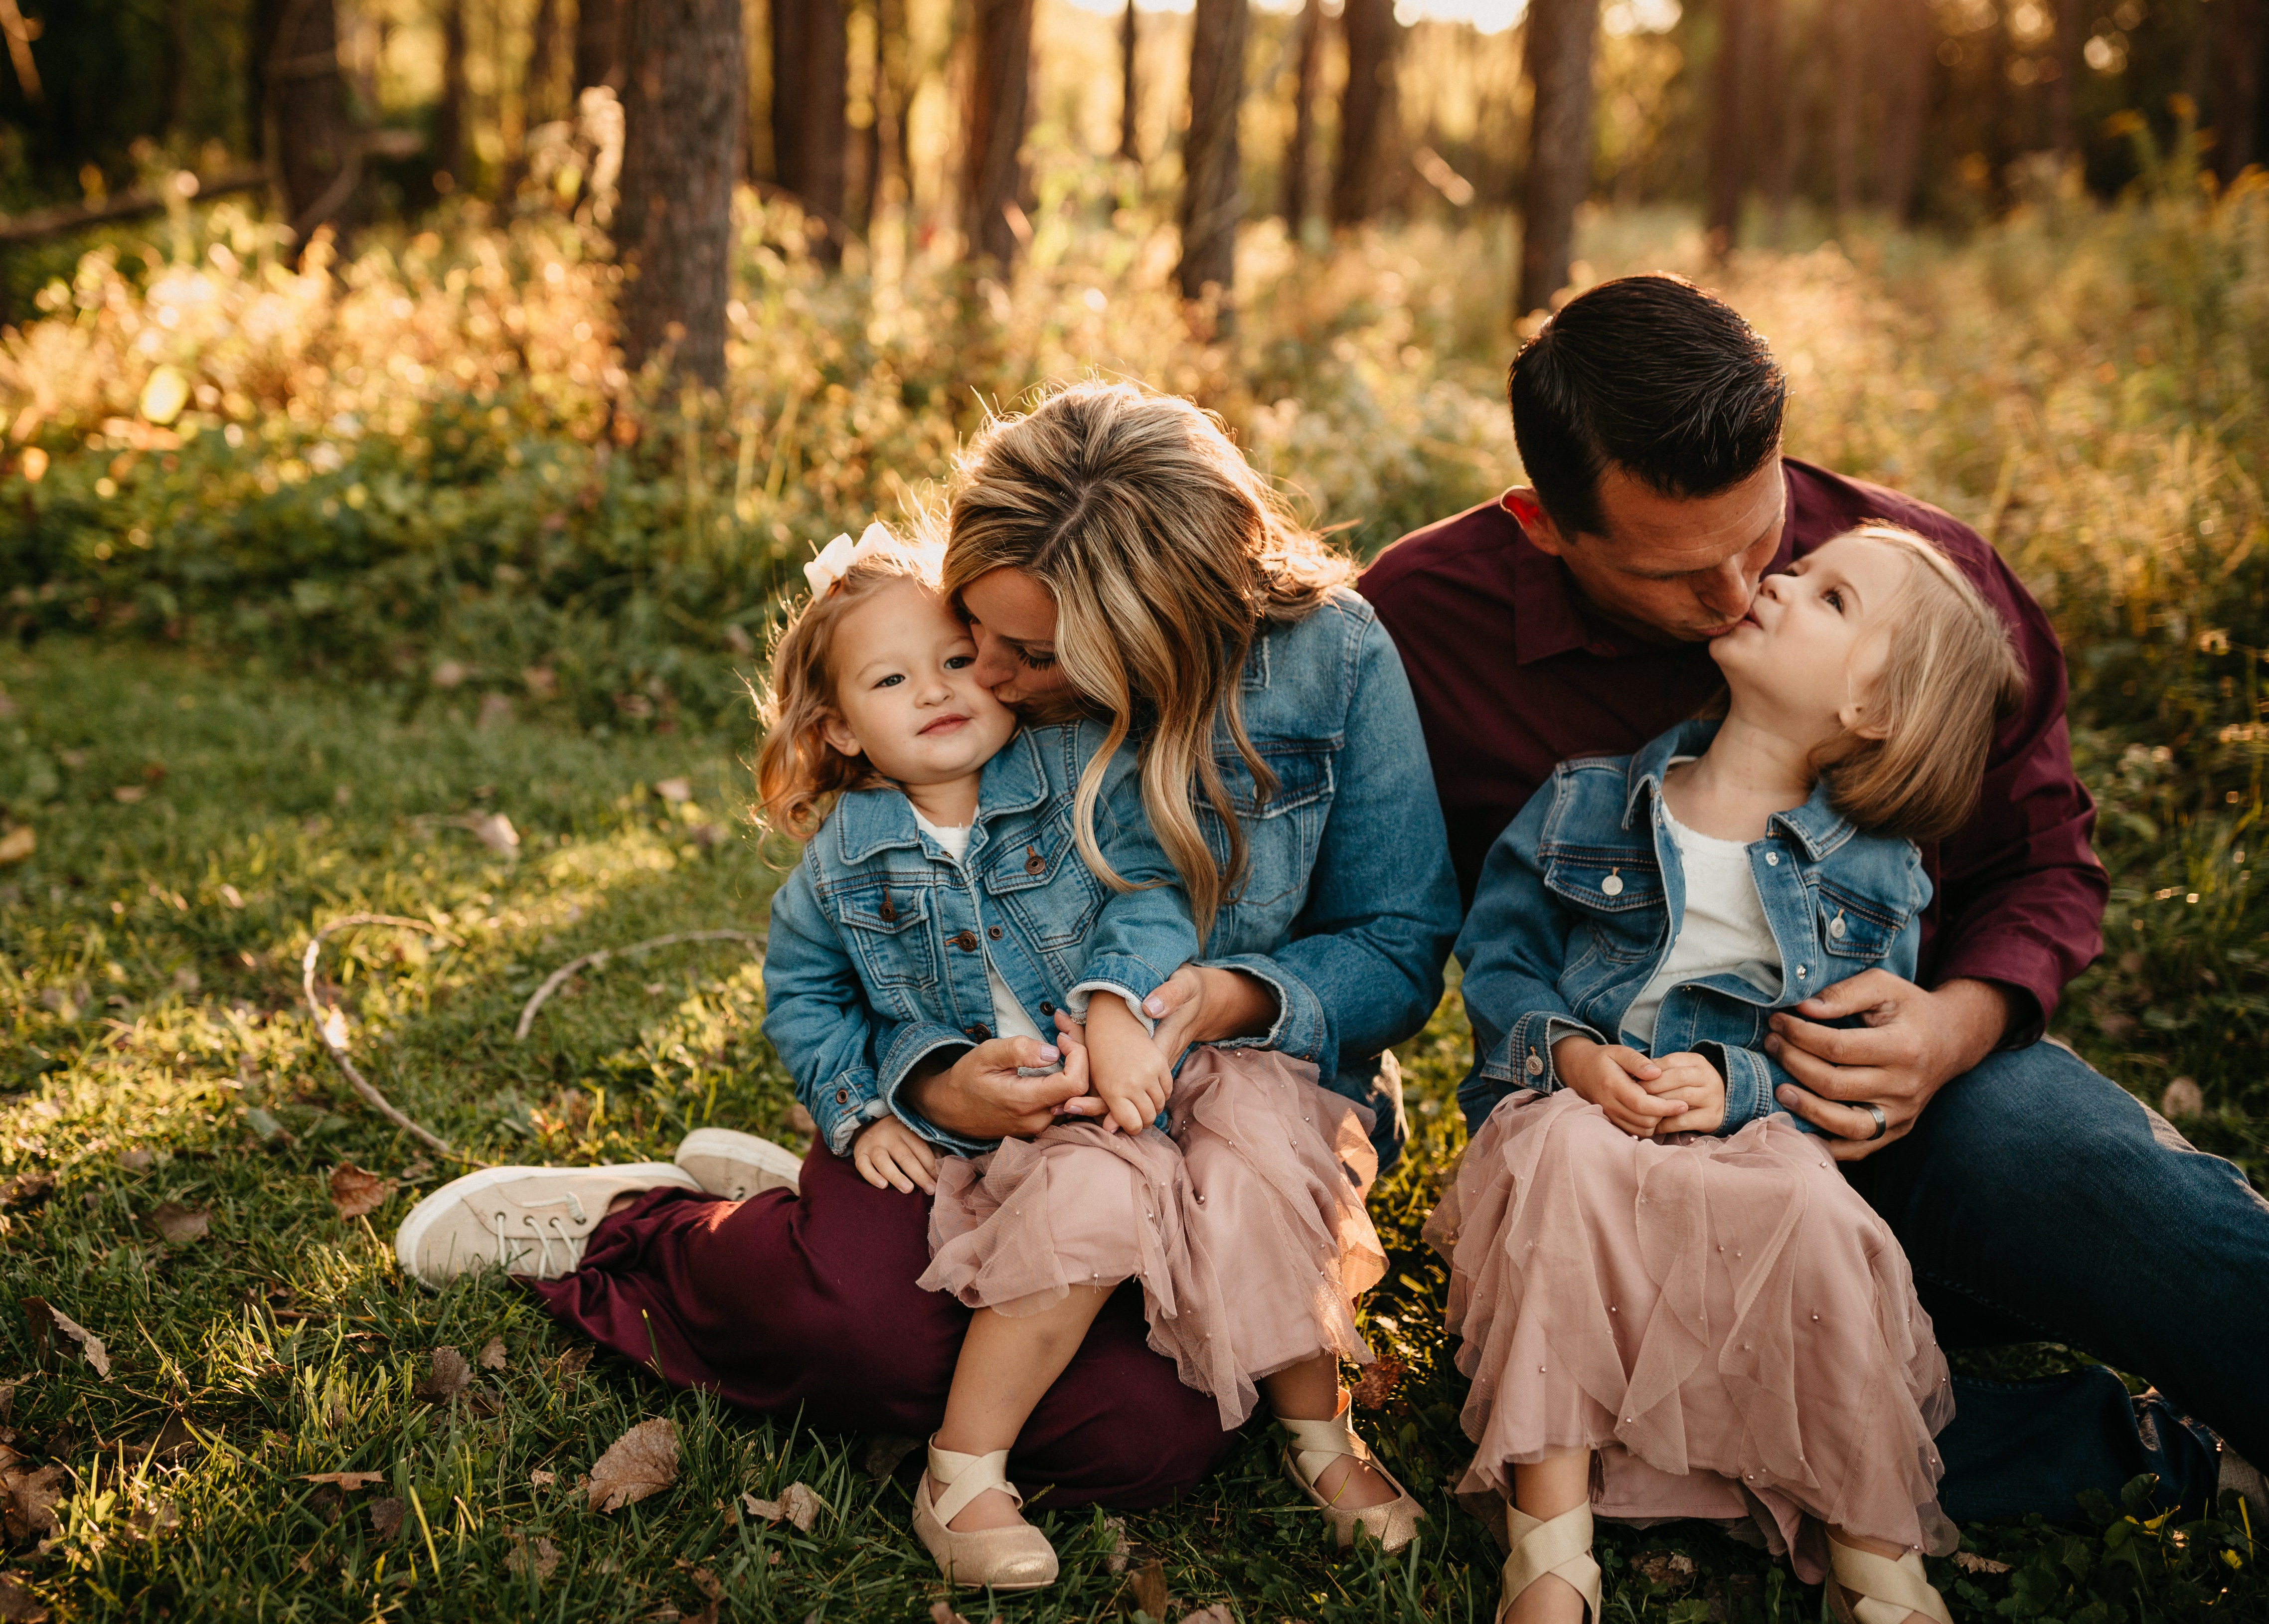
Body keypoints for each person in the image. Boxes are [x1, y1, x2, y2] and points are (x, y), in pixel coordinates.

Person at [396, 380, 1463, 1520]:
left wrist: (1225, 998)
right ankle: (654, 1231)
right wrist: (932, 1083)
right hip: (975, 1107)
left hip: (1222, 1123)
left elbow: (1400, 946)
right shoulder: (948, 729)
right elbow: (849, 954)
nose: (986, 679)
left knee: (1141, 1442)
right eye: (972, 636)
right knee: (865, 1337)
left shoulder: (1330, 659)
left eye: (1031, 657)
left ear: (1153, 633)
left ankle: (873, 1308)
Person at [1362, 272, 2269, 1527]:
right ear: (1542, 524)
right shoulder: (1418, 629)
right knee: (1612, 1404)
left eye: (1760, 538)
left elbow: (2042, 862)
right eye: (1681, 577)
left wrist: (1947, 1030)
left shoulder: (1923, 587)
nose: (1739, 599)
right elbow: (1377, 914)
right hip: (1618, 1166)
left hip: (1887, 1114)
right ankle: (2128, 1459)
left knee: (2101, 1184)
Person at [745, 522, 1416, 1590]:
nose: (939, 690)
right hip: (1042, 1112)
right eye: (891, 680)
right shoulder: (837, 869)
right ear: (836, 731)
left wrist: (1112, 1006)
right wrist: (864, 1106)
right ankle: (962, 1477)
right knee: (1085, 1210)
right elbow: (803, 999)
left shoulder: (1067, 771)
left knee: (1260, 1176)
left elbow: (1148, 885)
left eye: (957, 660)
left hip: (1163, 1056)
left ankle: (1321, 1437)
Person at [1437, 524, 2025, 1624]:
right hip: (1581, 1112)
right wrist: (1565, 1054)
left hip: (1747, 1139)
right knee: (1563, 1155)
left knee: (1813, 1212)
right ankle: (1550, 1547)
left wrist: (1734, 1087)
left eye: (1831, 599)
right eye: (1798, 569)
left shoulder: (1872, 872)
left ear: (1872, 712)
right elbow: (1503, 962)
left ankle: (1873, 1558)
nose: (1782, 583)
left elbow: (1835, 1060)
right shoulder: (1585, 801)